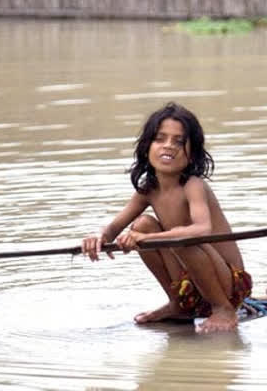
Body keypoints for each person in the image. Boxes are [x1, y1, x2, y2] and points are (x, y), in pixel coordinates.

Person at [81, 102, 251, 334]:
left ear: (192, 153)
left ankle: (222, 309)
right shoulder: (148, 190)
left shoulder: (193, 185)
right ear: (147, 147)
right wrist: (98, 237)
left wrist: (145, 239)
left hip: (229, 286)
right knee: (142, 224)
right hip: (191, 285)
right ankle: (180, 305)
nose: (168, 146)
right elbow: (113, 228)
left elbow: (201, 229)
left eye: (179, 141)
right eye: (160, 139)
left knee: (181, 238)